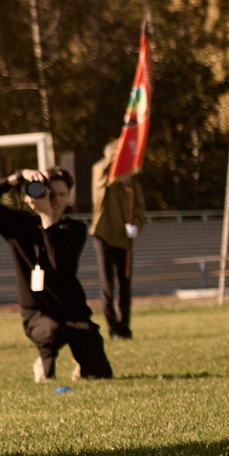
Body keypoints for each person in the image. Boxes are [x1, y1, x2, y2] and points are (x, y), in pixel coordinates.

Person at [0, 169, 112, 380]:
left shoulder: (75, 229)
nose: (55, 200)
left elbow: (58, 265)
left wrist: (47, 217)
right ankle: (45, 361)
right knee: (50, 332)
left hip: (73, 310)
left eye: (62, 194)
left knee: (99, 374)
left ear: (68, 198)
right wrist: (17, 177)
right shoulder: (20, 225)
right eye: (50, 193)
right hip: (39, 313)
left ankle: (82, 361)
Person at [88, 138, 143, 339]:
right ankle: (112, 328)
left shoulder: (131, 179)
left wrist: (136, 224)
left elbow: (139, 206)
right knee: (107, 286)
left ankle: (124, 327)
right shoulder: (100, 172)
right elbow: (101, 175)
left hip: (124, 239)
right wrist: (114, 155)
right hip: (103, 236)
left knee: (125, 285)